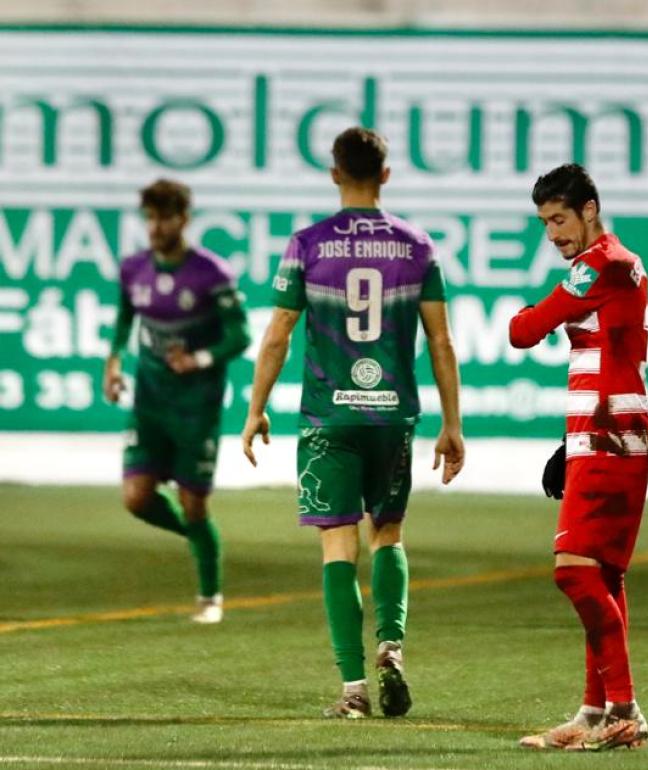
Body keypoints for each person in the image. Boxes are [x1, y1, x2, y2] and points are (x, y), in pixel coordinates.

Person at [241, 127, 465, 718]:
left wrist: (255, 408)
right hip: (392, 416)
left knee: (338, 549)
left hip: (328, 416)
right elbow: (440, 339)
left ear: (335, 173)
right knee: (387, 534)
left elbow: (278, 335)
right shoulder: (417, 246)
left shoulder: (307, 244)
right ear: (385, 175)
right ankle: (391, 650)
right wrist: (453, 423)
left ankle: (353, 691)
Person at [509, 164, 648, 751]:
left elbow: (526, 329)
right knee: (603, 577)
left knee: (573, 570)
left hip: (609, 433)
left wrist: (530, 317)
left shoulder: (601, 264)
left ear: (590, 209)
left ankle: (623, 708)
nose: (553, 233)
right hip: (608, 430)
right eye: (544, 222)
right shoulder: (615, 265)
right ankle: (595, 713)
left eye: (560, 219)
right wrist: (568, 444)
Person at [103, 179, 249, 624]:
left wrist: (199, 359)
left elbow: (240, 335)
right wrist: (113, 362)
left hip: (195, 405)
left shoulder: (211, 273)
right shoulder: (134, 269)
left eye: (164, 217)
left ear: (183, 219)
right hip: (149, 399)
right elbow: (125, 317)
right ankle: (201, 540)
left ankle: (210, 598)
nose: (155, 226)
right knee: (136, 498)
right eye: (150, 217)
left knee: (193, 503)